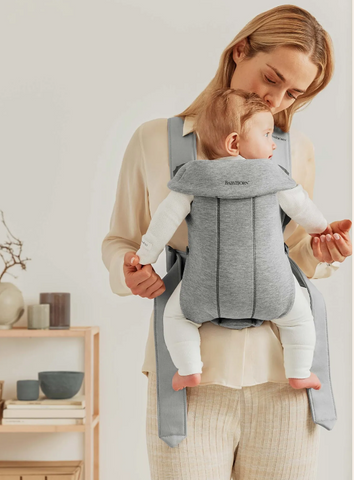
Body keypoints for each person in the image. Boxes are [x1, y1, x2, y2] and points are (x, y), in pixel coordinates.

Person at [102, 5, 352, 479]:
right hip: (186, 381)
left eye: (292, 92)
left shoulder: (293, 151)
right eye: (270, 77)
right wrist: (130, 271)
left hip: (283, 379)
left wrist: (322, 255)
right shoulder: (153, 140)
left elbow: (293, 252)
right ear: (240, 51)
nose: (276, 99)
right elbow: (120, 239)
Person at [134, 87, 328, 393]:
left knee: (174, 316)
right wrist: (324, 229)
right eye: (266, 134)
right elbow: (304, 209)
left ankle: (188, 370)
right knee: (299, 315)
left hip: (205, 285)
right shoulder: (273, 176)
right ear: (234, 142)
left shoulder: (193, 178)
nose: (273, 145)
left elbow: (163, 222)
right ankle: (300, 371)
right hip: (272, 284)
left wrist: (144, 258)